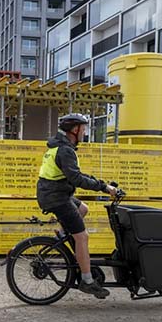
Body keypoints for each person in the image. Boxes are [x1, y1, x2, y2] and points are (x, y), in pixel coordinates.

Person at [37, 113, 117, 299]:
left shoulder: (61, 147)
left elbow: (76, 174)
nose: (85, 132)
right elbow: (77, 179)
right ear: (75, 130)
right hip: (56, 197)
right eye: (84, 128)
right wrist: (104, 187)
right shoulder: (65, 150)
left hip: (55, 193)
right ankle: (87, 281)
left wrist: (101, 183)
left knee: (83, 209)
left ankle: (65, 235)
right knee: (82, 237)